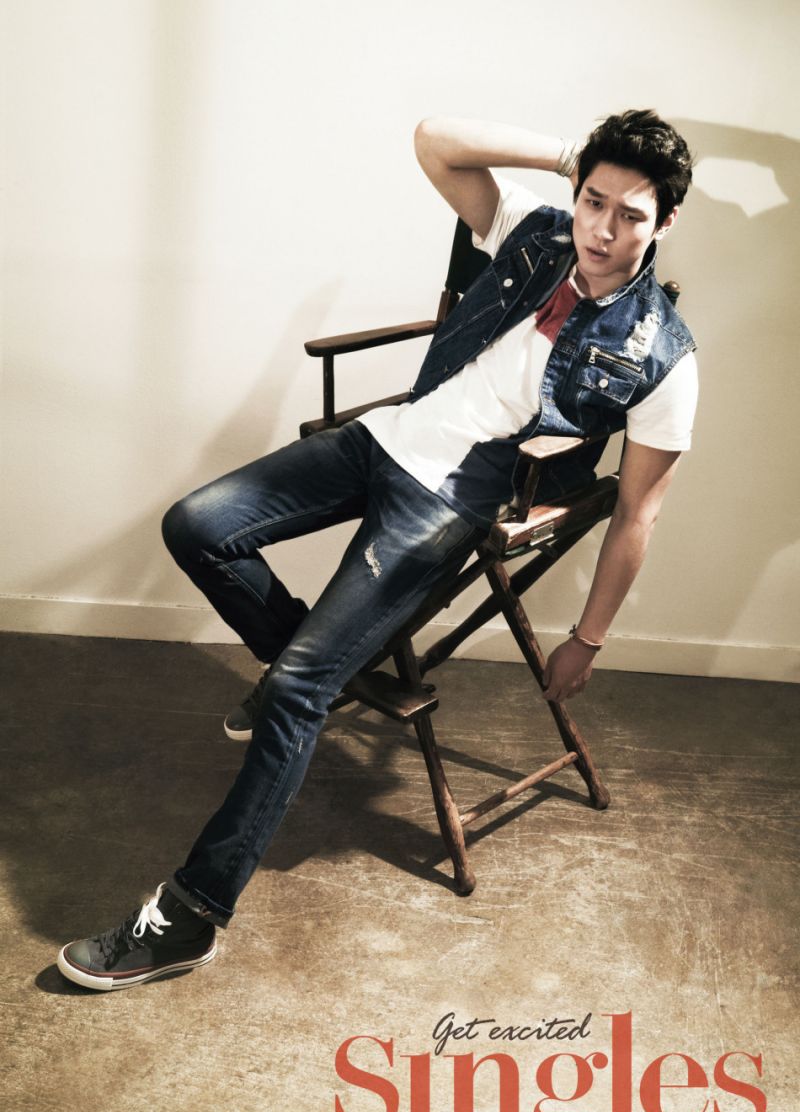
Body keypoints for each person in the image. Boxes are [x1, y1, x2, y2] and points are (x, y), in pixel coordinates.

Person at [57, 109, 697, 990]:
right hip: (385, 436)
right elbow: (435, 140)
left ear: (665, 222)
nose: (603, 229)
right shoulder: (538, 230)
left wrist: (587, 638)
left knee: (295, 692)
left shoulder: (665, 355)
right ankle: (309, 668)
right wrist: (565, 156)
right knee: (196, 525)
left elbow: (638, 515)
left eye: (630, 215)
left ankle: (193, 913)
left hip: (452, 497)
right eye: (594, 200)